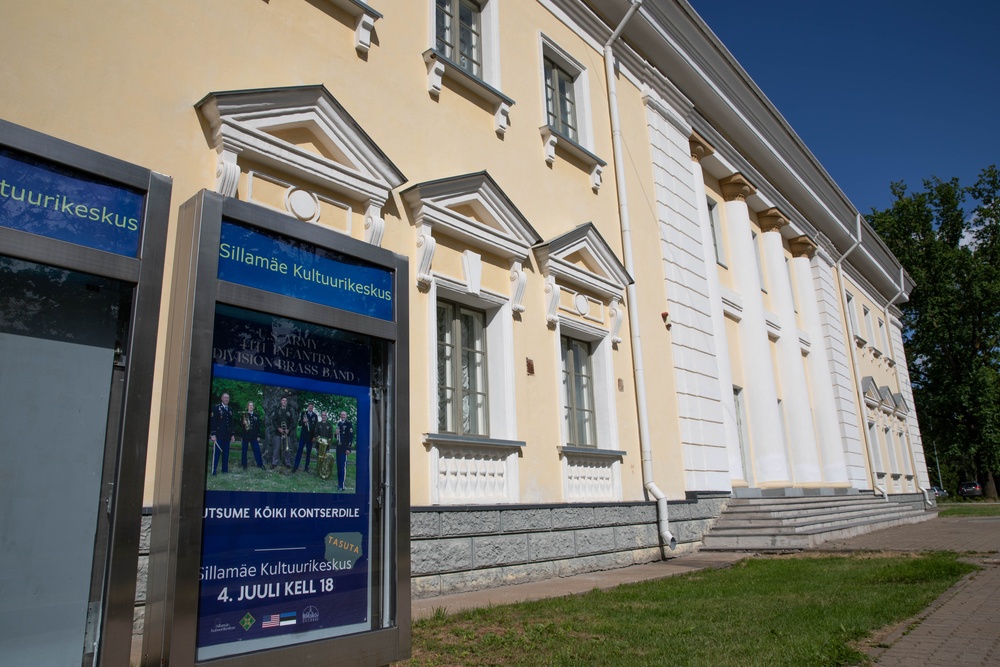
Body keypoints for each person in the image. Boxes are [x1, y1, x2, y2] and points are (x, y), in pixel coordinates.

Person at [209, 392, 235, 475]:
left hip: (227, 436)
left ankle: (225, 471)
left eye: (228, 398)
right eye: (225, 397)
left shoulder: (230, 410)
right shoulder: (216, 408)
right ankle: (214, 471)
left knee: (226, 454)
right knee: (216, 454)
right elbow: (213, 422)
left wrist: (232, 434)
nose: (226, 399)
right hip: (218, 435)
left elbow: (231, 423)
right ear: (221, 398)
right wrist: (213, 434)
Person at [269, 396, 295, 469]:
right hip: (278, 432)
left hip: (287, 433)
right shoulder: (277, 410)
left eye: (285, 401)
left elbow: (292, 423)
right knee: (276, 448)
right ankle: (274, 463)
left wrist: (288, 429)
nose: (284, 402)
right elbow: (273, 421)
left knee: (287, 449)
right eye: (283, 400)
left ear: (287, 402)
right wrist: (278, 428)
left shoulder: (289, 411)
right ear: (281, 401)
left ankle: (287, 463)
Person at [292, 402, 318, 473]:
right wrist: (303, 421)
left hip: (310, 437)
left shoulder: (315, 416)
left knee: (308, 453)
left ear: (313, 408)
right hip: (303, 436)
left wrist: (314, 437)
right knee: (299, 451)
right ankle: (295, 467)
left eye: (312, 407)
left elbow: (316, 427)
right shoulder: (304, 413)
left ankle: (306, 468)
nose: (310, 408)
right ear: (308, 407)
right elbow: (299, 423)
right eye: (309, 407)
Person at [240, 401, 264, 469]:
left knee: (257, 450)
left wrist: (258, 435)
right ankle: (244, 465)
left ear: (253, 407)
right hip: (245, 435)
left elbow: (258, 426)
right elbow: (240, 425)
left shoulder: (256, 416)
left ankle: (260, 464)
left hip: (254, 436)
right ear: (247, 406)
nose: (251, 407)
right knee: (244, 450)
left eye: (252, 405)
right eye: (249, 405)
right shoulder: (244, 415)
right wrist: (243, 423)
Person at [335, 410, 354, 491]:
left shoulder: (348, 424)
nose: (342, 416)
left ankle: (342, 485)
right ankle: (339, 483)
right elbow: (336, 437)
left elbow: (350, 437)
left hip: (344, 448)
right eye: (341, 415)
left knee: (343, 467)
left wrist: (348, 448)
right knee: (338, 466)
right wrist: (335, 433)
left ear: (346, 416)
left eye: (344, 415)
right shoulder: (339, 424)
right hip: (338, 448)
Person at [315, 410, 334, 480]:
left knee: (325, 460)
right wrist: (317, 436)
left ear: (326, 416)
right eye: (322, 415)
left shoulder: (329, 425)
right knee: (319, 459)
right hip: (319, 445)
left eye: (325, 415)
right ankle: (318, 472)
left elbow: (331, 435)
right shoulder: (318, 424)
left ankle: (324, 472)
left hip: (326, 446)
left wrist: (329, 440)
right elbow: (315, 433)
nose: (323, 416)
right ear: (321, 416)